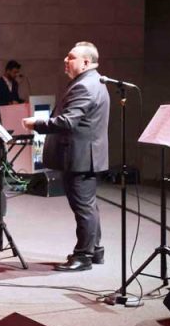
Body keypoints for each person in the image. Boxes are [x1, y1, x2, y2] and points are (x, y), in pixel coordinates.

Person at [23, 42, 109, 271]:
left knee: (84, 208)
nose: (65, 60)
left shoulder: (85, 86)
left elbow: (68, 121)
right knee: (88, 205)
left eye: (70, 57)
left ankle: (83, 257)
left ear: (86, 62)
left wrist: (37, 123)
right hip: (86, 155)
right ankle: (95, 250)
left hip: (81, 157)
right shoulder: (92, 81)